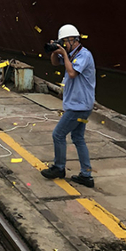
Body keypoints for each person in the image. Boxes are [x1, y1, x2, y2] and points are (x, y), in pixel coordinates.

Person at [41, 24, 96, 188]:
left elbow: (72, 73)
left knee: (58, 134)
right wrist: (55, 52)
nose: (64, 44)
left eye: (66, 41)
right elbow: (55, 64)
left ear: (74, 40)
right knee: (78, 138)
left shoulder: (84, 55)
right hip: (80, 105)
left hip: (79, 106)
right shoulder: (71, 54)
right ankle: (86, 175)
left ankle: (59, 168)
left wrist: (64, 54)